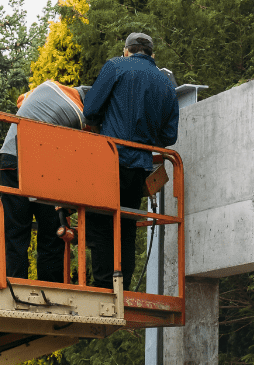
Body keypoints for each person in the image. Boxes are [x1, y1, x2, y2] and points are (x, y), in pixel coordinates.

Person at [82, 32, 179, 288]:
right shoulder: (167, 83)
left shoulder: (116, 66)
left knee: (100, 223)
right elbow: (169, 135)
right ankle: (120, 289)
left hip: (109, 161)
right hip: (140, 168)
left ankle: (103, 286)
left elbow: (90, 111)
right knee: (125, 227)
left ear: (127, 50)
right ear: (152, 55)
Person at [0, 81, 88, 283]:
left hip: (10, 157)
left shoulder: (46, 87)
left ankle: (13, 286)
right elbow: (81, 153)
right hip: (38, 166)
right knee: (52, 234)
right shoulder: (77, 112)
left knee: (15, 232)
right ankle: (49, 289)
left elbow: (21, 102)